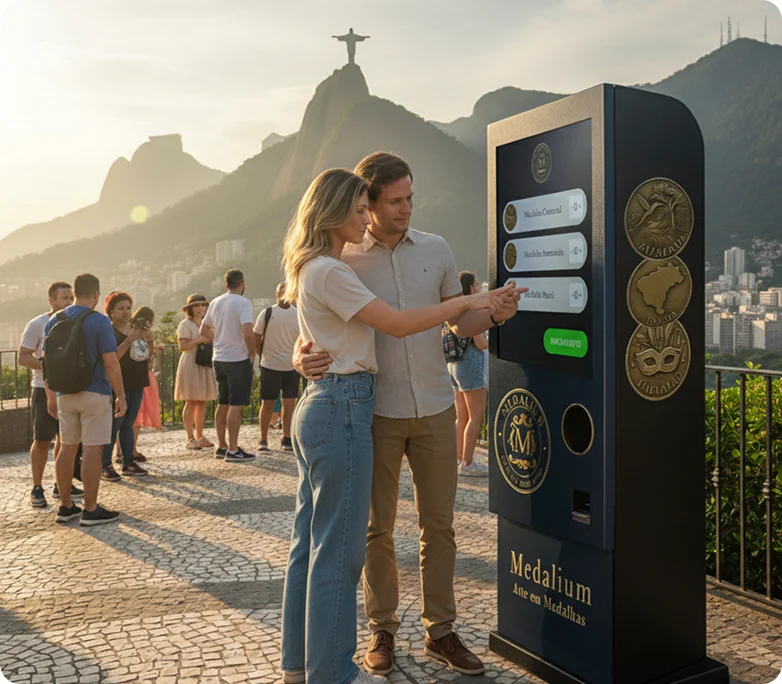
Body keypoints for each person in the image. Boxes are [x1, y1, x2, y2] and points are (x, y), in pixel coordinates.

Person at [295, 153, 522, 677]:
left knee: (439, 526)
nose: (405, 208)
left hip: (437, 406)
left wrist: (494, 314)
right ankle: (383, 629)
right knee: (376, 529)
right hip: (373, 411)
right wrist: (298, 359)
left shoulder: (436, 248)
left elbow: (460, 325)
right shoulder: (343, 256)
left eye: (410, 198)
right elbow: (310, 322)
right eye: (394, 200)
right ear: (367, 203)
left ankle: (440, 631)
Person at [43, 273, 126, 526]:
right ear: (96, 294)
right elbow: (111, 362)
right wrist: (121, 395)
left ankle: (65, 505)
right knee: (92, 449)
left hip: (64, 393)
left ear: (75, 292)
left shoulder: (54, 319)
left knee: (67, 448)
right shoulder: (99, 321)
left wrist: (51, 395)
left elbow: (48, 362)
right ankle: (90, 509)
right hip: (95, 392)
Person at [18, 281, 79, 507]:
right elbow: (23, 357)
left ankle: (61, 484)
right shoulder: (37, 324)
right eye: (64, 298)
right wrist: (49, 366)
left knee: (66, 439)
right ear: (51, 301)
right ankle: (37, 487)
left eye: (71, 298)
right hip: (43, 389)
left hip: (68, 389)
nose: (69, 303)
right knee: (42, 440)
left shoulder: (75, 323)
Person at [200, 270, 256, 462]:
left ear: (226, 284)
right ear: (242, 283)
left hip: (219, 358)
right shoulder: (243, 303)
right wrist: (252, 352)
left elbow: (203, 329)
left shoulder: (216, 302)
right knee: (235, 405)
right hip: (237, 359)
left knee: (223, 402)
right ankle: (233, 449)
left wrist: (219, 338)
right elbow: (248, 331)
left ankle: (222, 446)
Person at [99, 292, 150, 481]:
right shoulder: (109, 331)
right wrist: (129, 340)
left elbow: (145, 353)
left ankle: (128, 462)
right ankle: (105, 464)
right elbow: (113, 358)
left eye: (128, 308)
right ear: (111, 311)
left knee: (129, 423)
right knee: (114, 425)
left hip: (138, 379)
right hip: (119, 382)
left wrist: (147, 337)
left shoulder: (134, 329)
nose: (126, 312)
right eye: (121, 308)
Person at [447, 272, 489, 477]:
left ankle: (459, 459)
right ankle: (468, 462)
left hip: (454, 366)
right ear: (471, 287)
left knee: (461, 417)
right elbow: (480, 343)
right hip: (470, 364)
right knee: (476, 416)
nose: (478, 287)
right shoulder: (471, 311)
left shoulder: (454, 308)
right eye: (476, 284)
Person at [254, 281, 301, 452]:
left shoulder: (298, 315)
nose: (282, 294)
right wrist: (261, 354)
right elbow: (256, 336)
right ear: (276, 294)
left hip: (291, 367)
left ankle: (286, 437)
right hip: (270, 366)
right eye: (280, 291)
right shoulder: (267, 313)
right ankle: (263, 438)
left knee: (289, 405)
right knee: (267, 404)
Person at [175, 294, 218, 449]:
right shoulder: (185, 324)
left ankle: (200, 435)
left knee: (202, 400)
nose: (201, 308)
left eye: (203, 305)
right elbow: (182, 346)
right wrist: (198, 340)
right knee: (191, 400)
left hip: (204, 361)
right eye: (197, 305)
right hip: (191, 362)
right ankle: (190, 438)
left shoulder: (206, 324)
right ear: (190, 309)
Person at [131, 306, 163, 458]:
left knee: (129, 418)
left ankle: (122, 451)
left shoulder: (128, 330)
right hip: (141, 375)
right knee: (135, 417)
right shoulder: (140, 334)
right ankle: (131, 450)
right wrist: (150, 340)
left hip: (133, 374)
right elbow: (146, 354)